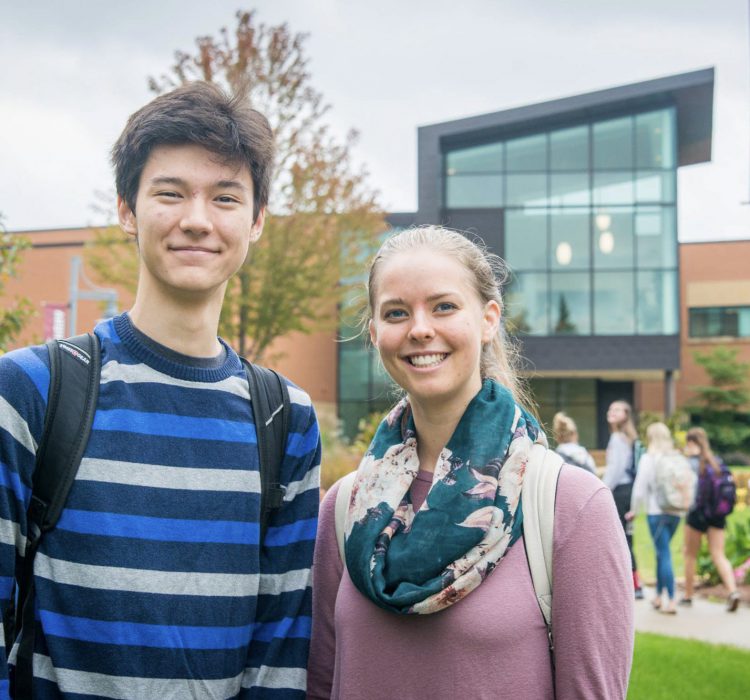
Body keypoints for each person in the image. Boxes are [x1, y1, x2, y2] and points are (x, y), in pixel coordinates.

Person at [0, 82, 321, 697]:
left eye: (225, 197)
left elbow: (278, 656)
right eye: (170, 193)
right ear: (127, 209)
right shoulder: (31, 391)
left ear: (256, 222)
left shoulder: (286, 418)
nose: (197, 220)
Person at [307, 226, 633, 699]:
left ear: (489, 319)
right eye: (397, 312)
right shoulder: (346, 510)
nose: (420, 328)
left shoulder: (570, 507)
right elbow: (321, 685)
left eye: (444, 306)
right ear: (375, 333)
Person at [625, 422, 686, 614]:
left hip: (656, 513)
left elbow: (639, 488)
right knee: (662, 553)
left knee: (664, 553)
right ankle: (659, 596)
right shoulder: (676, 457)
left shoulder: (648, 459)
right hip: (675, 512)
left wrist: (634, 510)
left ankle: (672, 600)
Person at [681, 427, 740, 612]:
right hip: (717, 516)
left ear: (691, 443)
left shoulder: (690, 463)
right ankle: (732, 591)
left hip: (697, 515)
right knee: (718, 554)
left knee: (689, 554)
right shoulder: (717, 462)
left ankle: (688, 595)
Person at [602, 400, 644, 599]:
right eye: (611, 408)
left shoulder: (618, 438)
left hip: (620, 492)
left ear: (626, 415)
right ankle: (635, 583)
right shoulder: (628, 438)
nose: (611, 411)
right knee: (626, 537)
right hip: (628, 491)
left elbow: (615, 470)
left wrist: (603, 489)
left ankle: (632, 585)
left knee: (620, 538)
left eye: (617, 409)